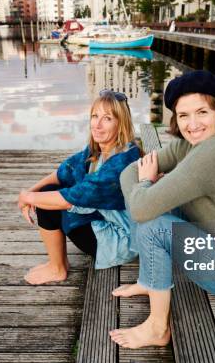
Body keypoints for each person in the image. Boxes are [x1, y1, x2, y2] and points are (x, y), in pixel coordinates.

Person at [110, 70, 215, 349]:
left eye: (202, 112)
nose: (192, 124)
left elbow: (141, 207)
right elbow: (128, 174)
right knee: (149, 208)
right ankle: (151, 280)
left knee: (152, 223)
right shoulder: (190, 144)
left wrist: (148, 184)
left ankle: (158, 329)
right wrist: (145, 188)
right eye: (183, 115)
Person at [17, 89, 141, 285]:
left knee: (49, 202)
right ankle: (58, 263)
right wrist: (30, 192)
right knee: (47, 192)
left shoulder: (122, 162)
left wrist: (29, 198)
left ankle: (57, 269)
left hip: (122, 241)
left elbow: (71, 198)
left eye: (107, 118)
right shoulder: (99, 150)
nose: (97, 125)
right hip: (106, 221)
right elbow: (63, 172)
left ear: (121, 123)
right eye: (95, 116)